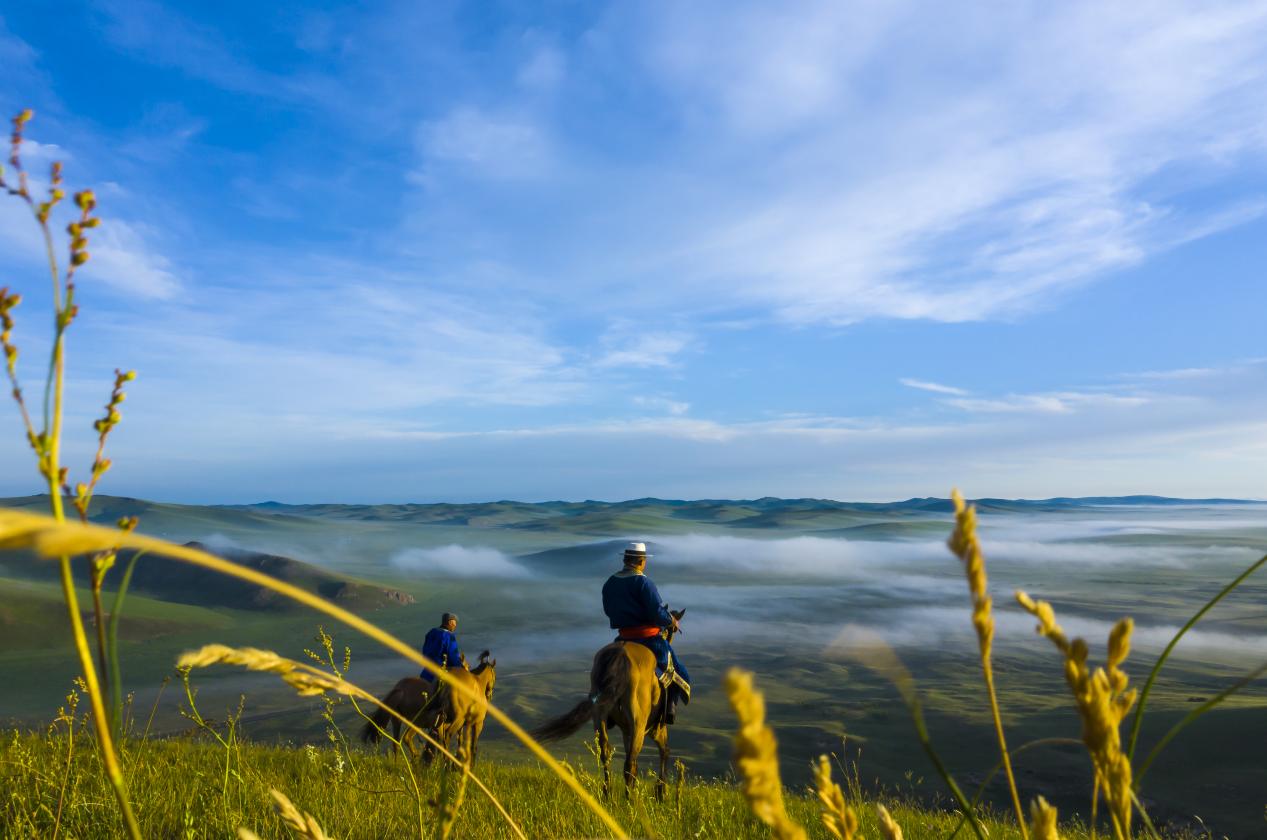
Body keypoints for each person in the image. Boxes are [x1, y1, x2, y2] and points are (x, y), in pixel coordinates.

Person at [601, 541, 691, 723]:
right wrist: (671, 620)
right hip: (647, 638)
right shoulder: (643, 582)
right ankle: (670, 709)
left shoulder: (610, 582)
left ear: (626, 560)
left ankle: (607, 707)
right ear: (641, 561)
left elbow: (608, 610)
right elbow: (656, 612)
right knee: (679, 672)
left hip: (623, 637)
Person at [420, 612, 463, 684]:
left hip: (426, 673)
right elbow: (453, 656)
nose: (455, 625)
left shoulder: (431, 632)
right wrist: (460, 668)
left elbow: (425, 651)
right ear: (450, 622)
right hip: (440, 674)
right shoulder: (448, 636)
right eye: (454, 622)